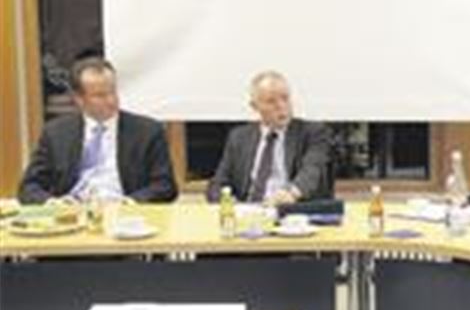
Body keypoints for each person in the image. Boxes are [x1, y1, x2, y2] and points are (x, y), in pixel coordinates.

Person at [19, 57, 177, 204]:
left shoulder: (148, 131)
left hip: (126, 213)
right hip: (73, 214)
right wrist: (54, 204)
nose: (111, 100)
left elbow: (165, 186)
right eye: (100, 95)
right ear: (79, 99)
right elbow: (29, 187)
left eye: (112, 91)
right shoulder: (55, 133)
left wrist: (130, 202)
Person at [206, 71, 332, 204]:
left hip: (291, 211)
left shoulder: (313, 133)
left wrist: (291, 193)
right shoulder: (239, 137)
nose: (281, 106)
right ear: (255, 107)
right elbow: (218, 183)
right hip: (248, 212)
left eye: (285, 98)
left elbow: (312, 171)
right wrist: (227, 200)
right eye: (271, 101)